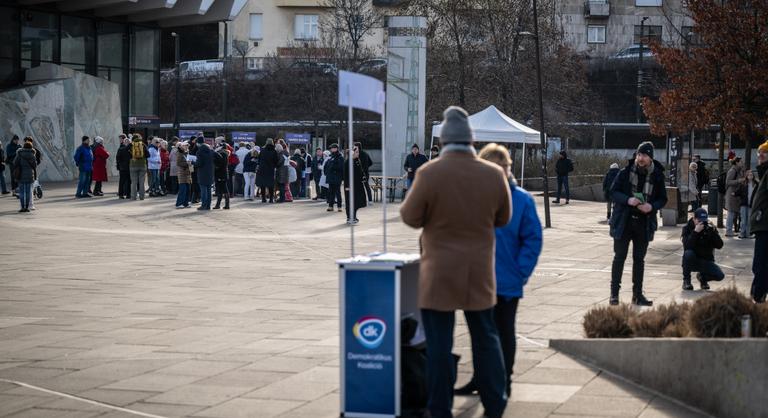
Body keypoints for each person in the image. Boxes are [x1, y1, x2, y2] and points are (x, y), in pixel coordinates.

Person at [400, 106, 511, 418]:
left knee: (438, 346)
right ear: (472, 141)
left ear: (444, 140)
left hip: (439, 273)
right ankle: (495, 403)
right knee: (486, 340)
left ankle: (439, 408)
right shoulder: (493, 175)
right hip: (478, 272)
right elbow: (504, 218)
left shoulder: (429, 173)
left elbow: (410, 216)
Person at [455, 143, 542, 398]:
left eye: (501, 167)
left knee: (504, 332)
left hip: (506, 281)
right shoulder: (472, 197)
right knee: (480, 334)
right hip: (475, 280)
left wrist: (520, 271)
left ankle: (505, 379)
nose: (497, 171)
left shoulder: (522, 200)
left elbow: (533, 239)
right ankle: (481, 378)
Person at [608, 142, 668, 306]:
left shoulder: (657, 176)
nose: (640, 158)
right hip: (624, 221)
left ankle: (637, 295)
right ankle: (614, 294)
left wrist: (652, 206)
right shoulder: (625, 172)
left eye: (644, 155)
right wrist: (628, 199)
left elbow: (663, 198)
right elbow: (612, 192)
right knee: (619, 257)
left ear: (650, 158)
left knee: (639, 260)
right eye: (639, 155)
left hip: (644, 222)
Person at [681, 208, 725, 290]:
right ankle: (686, 281)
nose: (702, 223)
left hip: (706, 260)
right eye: (699, 220)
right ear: (694, 219)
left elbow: (720, 245)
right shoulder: (687, 228)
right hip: (692, 260)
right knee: (688, 254)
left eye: (704, 221)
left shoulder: (709, 228)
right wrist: (695, 232)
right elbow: (687, 246)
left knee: (720, 275)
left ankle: (703, 278)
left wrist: (714, 232)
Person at [750, 140, 768, 303]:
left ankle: (757, 296)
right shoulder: (764, 173)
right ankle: (758, 295)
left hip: (765, 226)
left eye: (764, 153)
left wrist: (761, 213)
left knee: (760, 264)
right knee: (760, 263)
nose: (760, 155)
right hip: (762, 226)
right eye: (759, 153)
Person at [343, 145, 367, 224]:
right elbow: (346, 175)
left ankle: (354, 216)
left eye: (358, 152)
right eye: (356, 152)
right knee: (350, 202)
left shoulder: (356, 161)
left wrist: (363, 177)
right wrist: (347, 186)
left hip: (357, 185)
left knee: (356, 201)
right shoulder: (348, 162)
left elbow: (360, 171)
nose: (358, 154)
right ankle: (349, 217)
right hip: (350, 186)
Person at [13, 141, 37, 213]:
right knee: (28, 192)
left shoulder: (19, 154)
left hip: (20, 175)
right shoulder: (32, 155)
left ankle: (22, 207)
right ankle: (26, 207)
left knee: (22, 192)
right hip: (29, 175)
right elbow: (35, 166)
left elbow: (15, 163)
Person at [725, 157, 744, 236]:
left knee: (733, 212)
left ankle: (731, 230)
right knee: (731, 212)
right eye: (741, 162)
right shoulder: (733, 171)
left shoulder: (739, 170)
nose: (742, 163)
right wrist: (739, 181)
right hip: (731, 194)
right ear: (737, 162)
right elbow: (728, 182)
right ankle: (729, 230)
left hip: (736, 194)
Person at [194, 136, 214, 211]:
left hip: (202, 173)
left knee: (203, 190)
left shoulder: (199, 152)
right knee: (209, 190)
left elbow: (199, 163)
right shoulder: (210, 151)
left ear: (198, 143)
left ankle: (203, 205)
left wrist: (193, 163)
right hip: (210, 172)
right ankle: (208, 205)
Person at [737, 170, 759, 239]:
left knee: (749, 220)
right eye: (749, 174)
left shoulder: (756, 184)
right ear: (746, 176)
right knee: (743, 219)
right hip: (744, 204)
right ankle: (742, 233)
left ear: (753, 176)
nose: (750, 175)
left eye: (751, 174)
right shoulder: (743, 183)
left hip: (752, 204)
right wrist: (734, 193)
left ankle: (748, 233)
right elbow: (739, 191)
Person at [257, 138, 279, 203]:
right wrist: (274, 166)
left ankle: (263, 198)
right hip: (270, 170)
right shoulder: (274, 151)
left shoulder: (262, 150)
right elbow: (276, 161)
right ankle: (271, 199)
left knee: (263, 184)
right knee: (270, 185)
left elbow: (259, 160)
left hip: (262, 169)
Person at [128, 134, 149, 201]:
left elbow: (126, 153)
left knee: (134, 182)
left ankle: (133, 197)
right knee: (141, 182)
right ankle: (142, 197)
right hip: (142, 165)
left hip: (133, 165)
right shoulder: (143, 144)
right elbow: (148, 155)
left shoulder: (131, 145)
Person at [325, 143, 344, 212]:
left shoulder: (340, 157)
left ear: (336, 148)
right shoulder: (331, 156)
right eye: (331, 148)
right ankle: (330, 206)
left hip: (337, 177)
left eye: (332, 148)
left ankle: (339, 206)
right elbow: (327, 165)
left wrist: (333, 167)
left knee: (337, 192)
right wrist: (327, 172)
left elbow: (341, 167)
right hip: (331, 177)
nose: (331, 149)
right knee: (331, 192)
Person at [213, 140, 231, 210]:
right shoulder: (225, 153)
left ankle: (225, 205)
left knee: (223, 189)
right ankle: (221, 204)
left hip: (221, 173)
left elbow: (220, 164)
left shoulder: (222, 154)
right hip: (223, 173)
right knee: (221, 189)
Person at [175, 141, 192, 209]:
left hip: (188, 173)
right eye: (185, 146)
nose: (186, 147)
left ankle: (186, 203)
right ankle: (179, 203)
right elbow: (178, 163)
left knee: (188, 189)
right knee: (183, 189)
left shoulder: (187, 153)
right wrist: (187, 163)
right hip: (182, 173)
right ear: (181, 146)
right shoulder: (179, 153)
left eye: (187, 146)